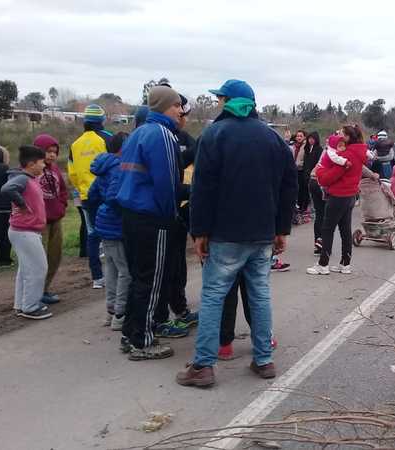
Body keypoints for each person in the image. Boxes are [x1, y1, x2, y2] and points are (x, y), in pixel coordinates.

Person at [176, 79, 297, 387]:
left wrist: (198, 230)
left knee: (214, 294)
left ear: (227, 101)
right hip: (262, 234)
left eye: (220, 99)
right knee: (259, 293)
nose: (217, 103)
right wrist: (281, 229)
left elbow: (203, 187)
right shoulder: (273, 139)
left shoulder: (214, 135)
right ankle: (263, 359)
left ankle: (203, 365)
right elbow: (288, 187)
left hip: (225, 233)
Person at [116, 86, 184, 360]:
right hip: (153, 217)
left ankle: (129, 333)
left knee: (138, 277)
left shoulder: (138, 133)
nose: (181, 111)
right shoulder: (163, 134)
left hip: (130, 213)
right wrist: (172, 216)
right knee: (152, 280)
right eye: (178, 105)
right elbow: (167, 182)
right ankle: (142, 341)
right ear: (166, 107)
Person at [152, 94, 198, 337]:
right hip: (161, 210)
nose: (181, 116)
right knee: (162, 267)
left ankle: (179, 308)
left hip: (181, 209)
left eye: (183, 111)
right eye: (177, 109)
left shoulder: (186, 139)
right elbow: (163, 181)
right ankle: (157, 319)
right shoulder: (158, 136)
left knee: (178, 263)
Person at [307, 125, 368, 275]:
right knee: (345, 230)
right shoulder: (359, 153)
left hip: (338, 196)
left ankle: (323, 264)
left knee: (327, 230)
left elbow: (328, 178)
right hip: (350, 196)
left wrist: (320, 170)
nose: (339, 136)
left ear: (348, 137)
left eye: (341, 134)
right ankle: (345, 263)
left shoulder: (346, 156)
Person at [1, 146, 51, 320]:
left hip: (25, 231)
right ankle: (30, 306)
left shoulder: (30, 178)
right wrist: (22, 204)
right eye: (41, 162)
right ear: (31, 164)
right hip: (24, 231)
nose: (44, 165)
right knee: (38, 268)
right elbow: (7, 189)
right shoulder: (22, 178)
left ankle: (22, 304)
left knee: (26, 270)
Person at [89, 132, 130, 331]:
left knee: (112, 268)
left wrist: (99, 213)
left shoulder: (104, 166)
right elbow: (115, 196)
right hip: (116, 225)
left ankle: (111, 310)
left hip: (103, 223)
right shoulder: (120, 167)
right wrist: (123, 212)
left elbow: (91, 195)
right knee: (126, 272)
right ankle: (120, 315)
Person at [69, 104, 111, 289]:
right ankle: (115, 274)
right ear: (101, 120)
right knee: (113, 234)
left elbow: (72, 174)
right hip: (108, 194)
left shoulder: (75, 144)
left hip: (86, 196)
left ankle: (97, 278)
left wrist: (82, 188)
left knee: (93, 234)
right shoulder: (107, 138)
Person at [33, 134, 68, 305]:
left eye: (54, 152)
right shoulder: (32, 169)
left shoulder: (55, 170)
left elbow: (62, 190)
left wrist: (61, 206)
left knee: (55, 255)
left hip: (56, 218)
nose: (52, 155)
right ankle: (35, 293)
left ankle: (45, 288)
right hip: (40, 222)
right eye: (48, 151)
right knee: (40, 258)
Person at [309, 135, 346, 255]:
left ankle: (318, 244)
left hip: (313, 181)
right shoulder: (334, 154)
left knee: (320, 214)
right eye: (340, 145)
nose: (342, 147)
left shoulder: (326, 151)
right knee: (326, 215)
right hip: (320, 184)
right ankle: (323, 244)